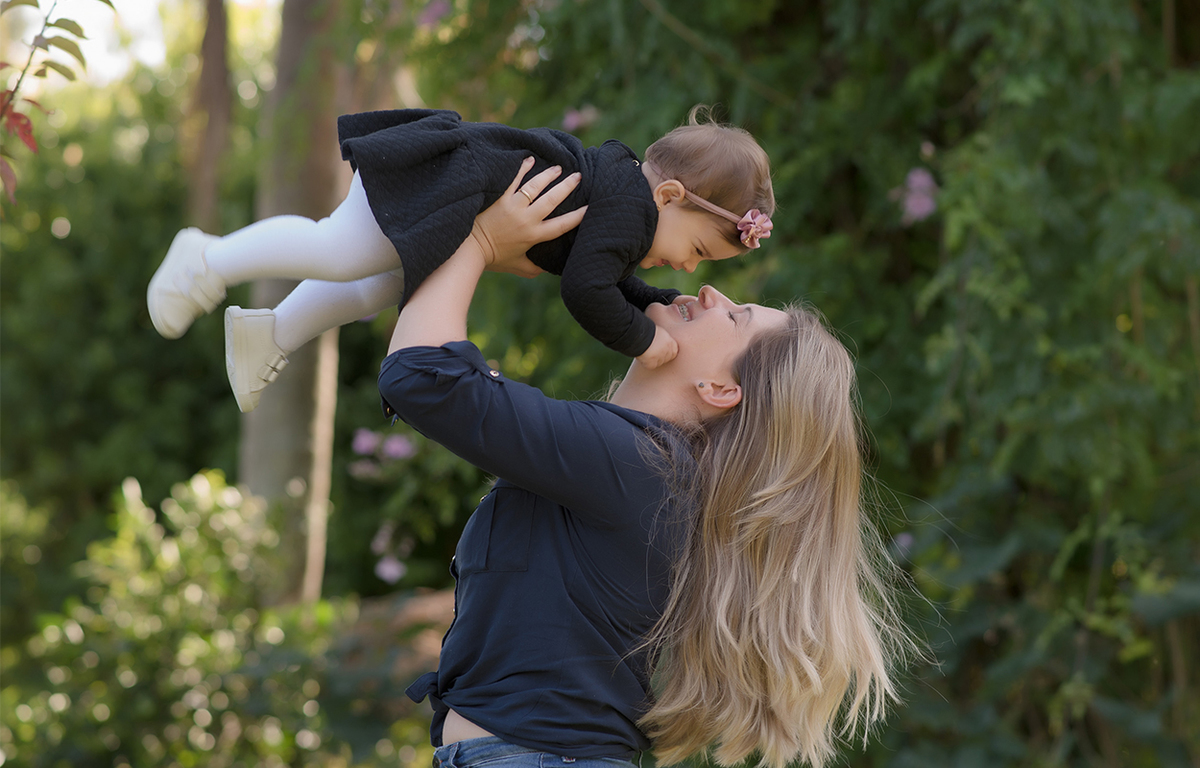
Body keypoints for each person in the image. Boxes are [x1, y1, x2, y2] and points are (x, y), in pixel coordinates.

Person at [381, 160, 910, 768]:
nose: (712, 292)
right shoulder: (644, 467)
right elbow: (444, 379)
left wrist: (476, 243)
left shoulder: (633, 462)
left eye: (736, 317)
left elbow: (422, 378)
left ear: (720, 390)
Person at [146, 107, 775, 412]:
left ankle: (269, 334)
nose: (692, 270)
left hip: (454, 191)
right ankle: (208, 257)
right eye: (696, 250)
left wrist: (659, 304)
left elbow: (610, 279)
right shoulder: (630, 212)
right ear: (667, 196)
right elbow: (587, 291)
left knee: (376, 287)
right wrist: (646, 340)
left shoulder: (627, 204)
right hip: (444, 183)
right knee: (336, 249)